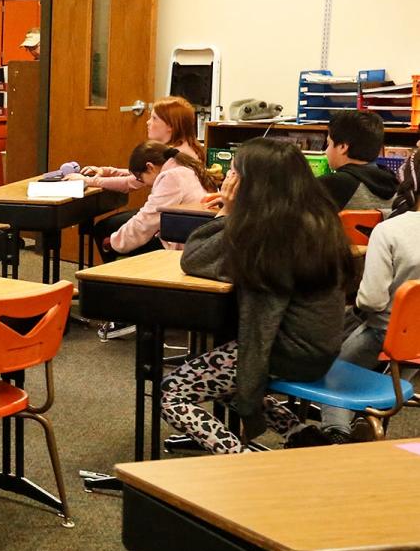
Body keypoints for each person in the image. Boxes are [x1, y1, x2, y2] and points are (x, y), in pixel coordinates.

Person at [160, 138, 348, 454]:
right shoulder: (311, 217)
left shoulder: (271, 233)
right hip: (318, 349)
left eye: (234, 173)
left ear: (255, 185)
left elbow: (194, 258)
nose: (227, 180)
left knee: (173, 391)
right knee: (222, 379)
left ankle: (243, 460)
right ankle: (301, 435)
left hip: (286, 351)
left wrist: (227, 211)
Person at [318, 187, 420, 441]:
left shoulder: (390, 231)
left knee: (331, 375)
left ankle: (336, 436)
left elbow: (372, 300)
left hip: (385, 332)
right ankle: (370, 417)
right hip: (412, 342)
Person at [91, 141, 217, 262]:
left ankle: (114, 281)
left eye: (140, 178)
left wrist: (113, 243)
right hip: (195, 237)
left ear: (150, 167)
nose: (144, 183)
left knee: (110, 235)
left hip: (184, 246)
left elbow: (146, 222)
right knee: (114, 227)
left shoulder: (171, 177)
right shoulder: (184, 165)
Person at [77, 96, 206, 194]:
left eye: (154, 118)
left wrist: (87, 181)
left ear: (170, 126)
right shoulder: (184, 148)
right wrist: (107, 171)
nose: (148, 122)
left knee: (106, 226)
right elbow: (142, 173)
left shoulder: (174, 159)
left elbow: (132, 182)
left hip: (166, 221)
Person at [316, 109, 397, 211]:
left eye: (328, 144)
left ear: (343, 147)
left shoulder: (332, 184)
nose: (326, 151)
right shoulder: (395, 185)